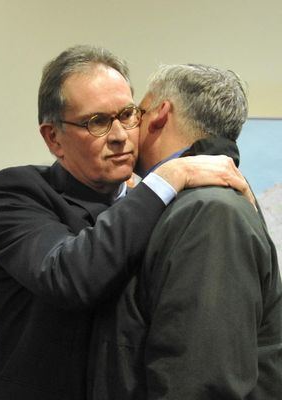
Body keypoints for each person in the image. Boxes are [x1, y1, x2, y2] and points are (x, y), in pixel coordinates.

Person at [0, 45, 254, 400]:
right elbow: (69, 277)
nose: (120, 135)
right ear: (53, 138)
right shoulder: (17, 192)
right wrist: (169, 174)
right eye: (97, 122)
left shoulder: (159, 205)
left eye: (127, 114)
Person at [87, 64, 282, 399]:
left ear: (160, 114)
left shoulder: (210, 212)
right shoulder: (193, 204)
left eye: (136, 113)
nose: (125, 130)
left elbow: (200, 382)